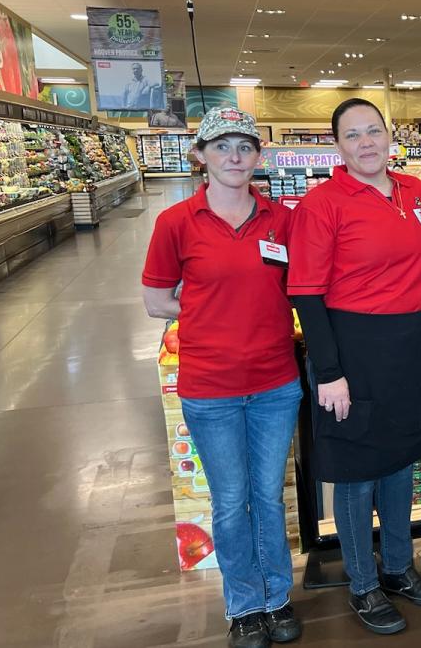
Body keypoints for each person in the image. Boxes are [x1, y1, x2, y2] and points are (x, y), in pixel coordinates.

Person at [286, 98, 421, 635]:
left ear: (388, 135)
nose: (366, 143)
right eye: (352, 135)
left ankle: (399, 568)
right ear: (338, 145)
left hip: (408, 346)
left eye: (373, 131)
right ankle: (363, 584)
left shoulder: (416, 191)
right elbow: (307, 294)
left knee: (402, 459)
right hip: (351, 350)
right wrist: (329, 373)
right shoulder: (323, 204)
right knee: (359, 473)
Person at [141, 107, 302, 648]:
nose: (234, 157)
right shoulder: (176, 223)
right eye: (222, 147)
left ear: (259, 156)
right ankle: (244, 607)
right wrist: (208, 308)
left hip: (277, 382)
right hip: (210, 387)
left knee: (270, 497)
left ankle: (277, 598)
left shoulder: (281, 219)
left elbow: (300, 288)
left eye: (245, 147)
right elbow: (155, 300)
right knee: (231, 500)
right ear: (201, 156)